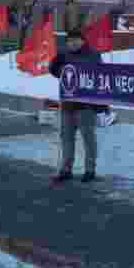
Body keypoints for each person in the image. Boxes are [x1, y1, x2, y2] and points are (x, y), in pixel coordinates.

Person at [48, 18, 103, 183]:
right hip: (67, 105)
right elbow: (54, 69)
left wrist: (101, 103)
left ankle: (90, 170)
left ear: (82, 41)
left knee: (88, 139)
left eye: (75, 40)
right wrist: (58, 68)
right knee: (66, 139)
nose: (72, 43)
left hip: (86, 106)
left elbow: (100, 77)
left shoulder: (93, 55)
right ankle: (66, 169)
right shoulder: (64, 55)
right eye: (69, 41)